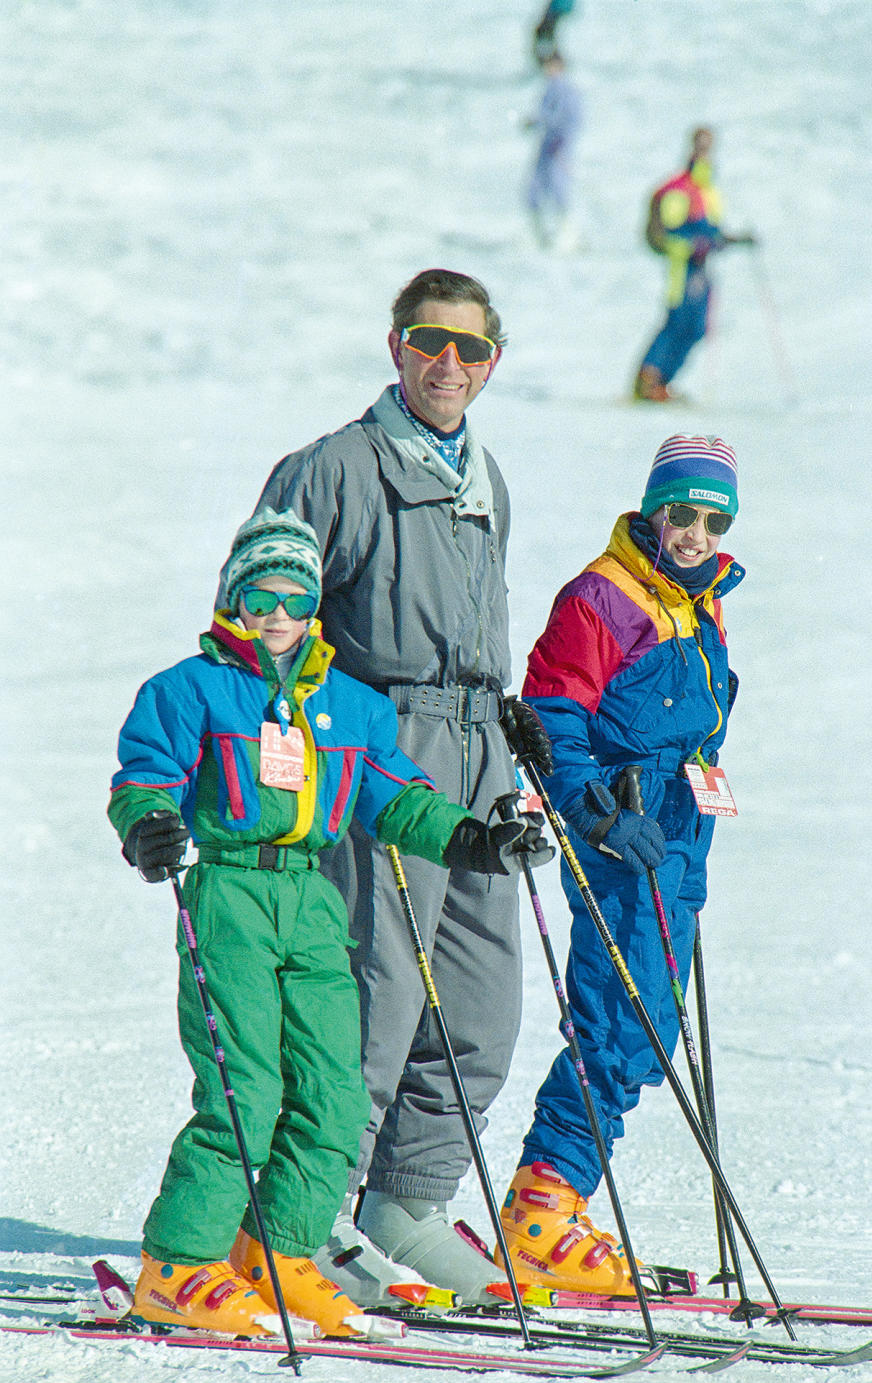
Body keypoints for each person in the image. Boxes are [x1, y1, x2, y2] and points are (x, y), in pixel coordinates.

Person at [109, 508, 551, 1337]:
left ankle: (278, 1253)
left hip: (312, 900)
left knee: (335, 1095)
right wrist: (149, 825)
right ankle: (177, 1265)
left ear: (317, 607)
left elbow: (396, 799)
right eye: (257, 598)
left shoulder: (350, 707)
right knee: (248, 1090)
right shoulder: (189, 689)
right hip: (231, 894)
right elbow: (145, 776)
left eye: (294, 599)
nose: (276, 616)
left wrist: (477, 841)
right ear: (229, 601)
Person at [228, 269, 551, 1306]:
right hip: (378, 748)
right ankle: (304, 1213)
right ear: (395, 346)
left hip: (476, 754)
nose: (447, 364)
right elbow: (257, 624)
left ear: (493, 361)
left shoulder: (484, 474)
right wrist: (291, 757)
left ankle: (404, 1202)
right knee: (372, 993)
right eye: (427, 342)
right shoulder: (334, 469)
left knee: (480, 1001)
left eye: (469, 349)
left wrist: (509, 723)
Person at [496, 435, 745, 1294]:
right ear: (654, 509)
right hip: (619, 835)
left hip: (677, 839)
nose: (696, 533)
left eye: (715, 520)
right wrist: (595, 808)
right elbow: (553, 713)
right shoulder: (602, 597)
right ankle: (542, 1206)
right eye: (682, 513)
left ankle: (554, 1200)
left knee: (651, 1029)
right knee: (619, 1018)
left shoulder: (698, 602)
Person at [633, 128, 756, 402]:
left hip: (701, 269)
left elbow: (712, 230)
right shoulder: (680, 189)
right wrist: (695, 245)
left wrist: (729, 241)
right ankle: (648, 380)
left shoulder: (709, 189)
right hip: (682, 268)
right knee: (677, 322)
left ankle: (662, 381)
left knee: (697, 327)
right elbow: (671, 233)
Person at [524, 51, 583, 250]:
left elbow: (568, 120)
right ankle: (540, 235)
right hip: (547, 148)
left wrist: (561, 142)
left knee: (559, 191)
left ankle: (566, 236)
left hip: (559, 149)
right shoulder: (550, 88)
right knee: (535, 190)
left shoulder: (566, 90)